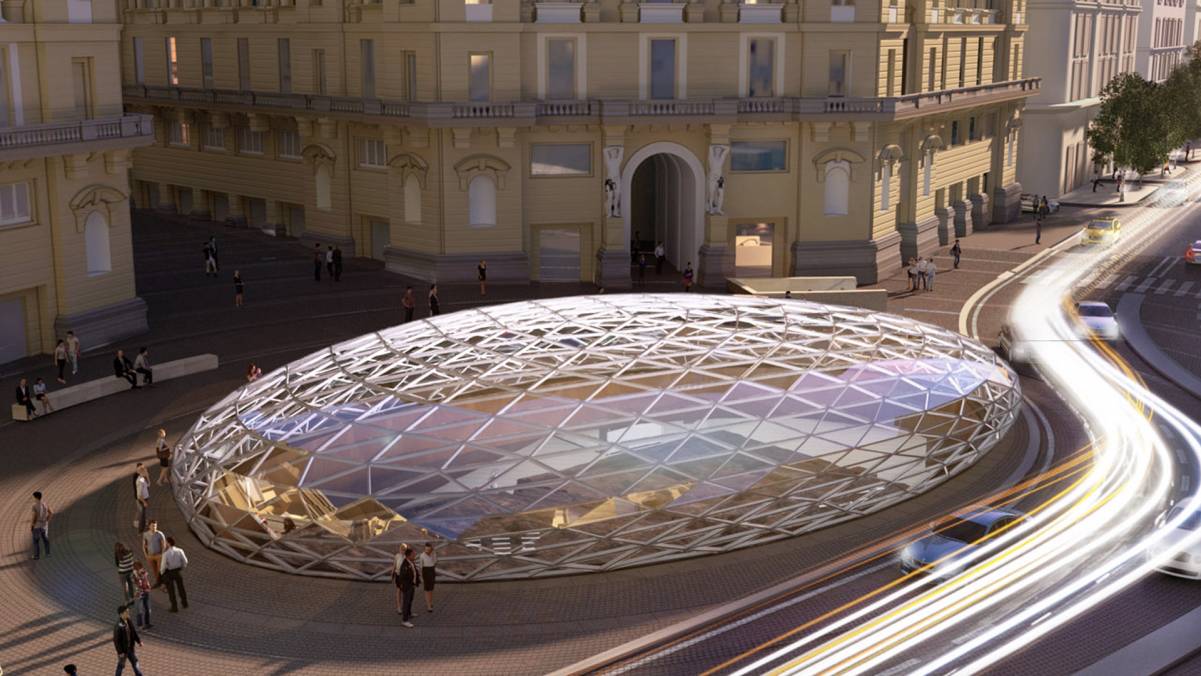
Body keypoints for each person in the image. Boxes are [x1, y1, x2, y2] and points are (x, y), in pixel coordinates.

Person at [113, 603, 144, 676]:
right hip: (124, 650)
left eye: (128, 612)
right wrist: (120, 652)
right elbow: (116, 641)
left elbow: (133, 631)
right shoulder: (118, 626)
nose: (128, 613)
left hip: (130, 648)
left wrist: (139, 641)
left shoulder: (128, 620)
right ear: (121, 614)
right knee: (121, 665)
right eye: (126, 612)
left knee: (135, 662)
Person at [159, 536, 189, 612]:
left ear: (168, 543)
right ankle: (184, 603)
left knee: (171, 590)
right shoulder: (180, 550)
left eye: (166, 542)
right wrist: (181, 567)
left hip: (169, 573)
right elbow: (185, 562)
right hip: (177, 571)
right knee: (181, 588)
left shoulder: (166, 554)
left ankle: (174, 607)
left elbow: (163, 566)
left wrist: (162, 573)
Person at [397, 546, 420, 627]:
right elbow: (402, 577)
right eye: (413, 554)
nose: (414, 555)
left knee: (410, 600)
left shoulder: (411, 562)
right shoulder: (405, 565)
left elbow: (414, 572)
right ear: (408, 556)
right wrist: (404, 586)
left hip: (412, 585)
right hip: (407, 586)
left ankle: (409, 613)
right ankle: (405, 620)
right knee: (406, 602)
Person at [142, 519, 167, 590]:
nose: (154, 528)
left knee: (160, 570)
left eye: (155, 526)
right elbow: (144, 545)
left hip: (158, 555)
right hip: (150, 556)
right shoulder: (145, 534)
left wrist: (162, 554)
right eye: (153, 526)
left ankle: (163, 584)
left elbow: (163, 545)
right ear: (149, 526)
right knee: (154, 570)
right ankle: (158, 583)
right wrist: (146, 555)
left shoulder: (160, 534)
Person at [131, 561, 153, 629]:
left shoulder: (143, 571)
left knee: (147, 608)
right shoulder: (134, 575)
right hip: (139, 594)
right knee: (140, 610)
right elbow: (137, 583)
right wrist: (140, 576)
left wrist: (148, 586)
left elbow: (146, 580)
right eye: (138, 568)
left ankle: (147, 623)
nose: (140, 568)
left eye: (140, 567)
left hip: (145, 592)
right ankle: (140, 625)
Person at [31, 491, 51, 560]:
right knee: (45, 540)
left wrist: (32, 524)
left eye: (34, 497)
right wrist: (47, 520)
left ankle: (37, 556)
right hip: (44, 525)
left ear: (36, 497)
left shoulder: (34, 505)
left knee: (36, 541)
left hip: (37, 526)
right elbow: (51, 513)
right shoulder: (45, 504)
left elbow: (35, 516)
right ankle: (47, 554)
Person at [420, 542, 437, 613]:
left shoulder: (433, 554)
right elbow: (421, 566)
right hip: (425, 571)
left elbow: (435, 562)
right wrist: (421, 576)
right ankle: (428, 605)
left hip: (431, 570)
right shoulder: (422, 555)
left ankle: (430, 601)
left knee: (431, 588)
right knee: (427, 589)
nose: (427, 551)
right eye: (426, 550)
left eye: (429, 550)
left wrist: (433, 554)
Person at [134, 463, 150, 533]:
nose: (147, 472)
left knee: (142, 514)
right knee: (142, 516)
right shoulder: (140, 481)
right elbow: (139, 495)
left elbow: (149, 484)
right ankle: (140, 530)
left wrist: (147, 476)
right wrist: (144, 502)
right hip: (142, 500)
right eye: (146, 471)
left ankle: (141, 528)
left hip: (145, 498)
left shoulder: (143, 479)